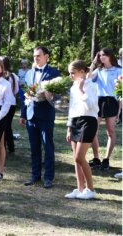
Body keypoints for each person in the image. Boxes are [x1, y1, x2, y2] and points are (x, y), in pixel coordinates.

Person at [20, 46, 61, 189]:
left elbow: (59, 95)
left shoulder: (54, 72)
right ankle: (35, 175)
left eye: (38, 55)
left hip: (46, 114)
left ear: (46, 56)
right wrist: (23, 114)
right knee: (34, 148)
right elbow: (25, 94)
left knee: (47, 147)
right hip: (31, 114)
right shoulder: (29, 73)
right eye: (34, 56)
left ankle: (48, 177)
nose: (36, 58)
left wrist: (50, 95)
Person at [65, 60, 98, 200]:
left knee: (80, 157)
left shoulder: (92, 86)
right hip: (75, 122)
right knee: (76, 159)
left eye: (73, 73)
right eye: (69, 73)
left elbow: (93, 107)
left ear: (82, 72)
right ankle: (80, 189)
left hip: (88, 121)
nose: (71, 76)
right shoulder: (73, 87)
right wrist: (68, 127)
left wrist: (82, 91)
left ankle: (90, 189)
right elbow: (72, 108)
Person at [88, 48, 122, 170]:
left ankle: (106, 159)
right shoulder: (98, 70)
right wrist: (93, 62)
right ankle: (96, 158)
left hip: (112, 101)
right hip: (98, 101)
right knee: (92, 131)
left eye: (104, 55)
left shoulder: (119, 70)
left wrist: (119, 109)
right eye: (100, 55)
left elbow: (121, 92)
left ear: (110, 56)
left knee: (110, 131)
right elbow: (88, 77)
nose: (102, 57)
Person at [0, 56, 19, 153]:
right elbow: (16, 91)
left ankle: (3, 147)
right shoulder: (14, 76)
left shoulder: (2, 76)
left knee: (3, 126)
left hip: (3, 103)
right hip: (12, 103)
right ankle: (11, 147)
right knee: (8, 126)